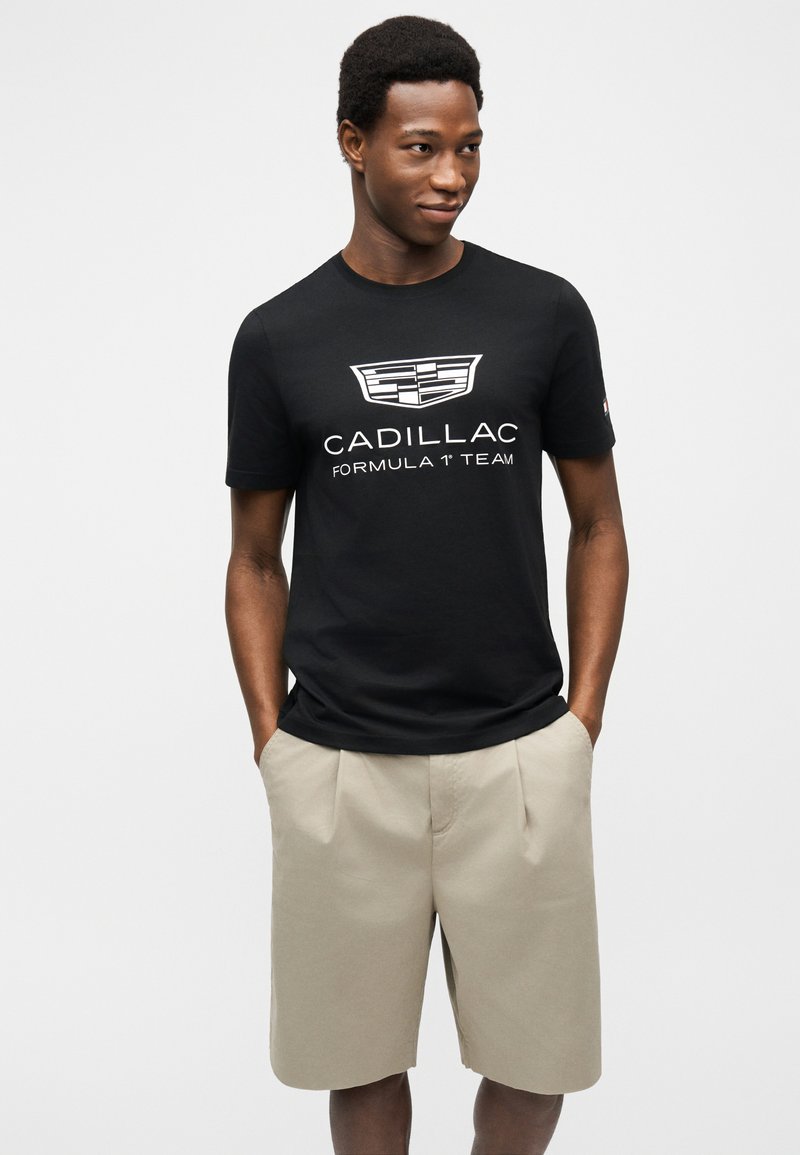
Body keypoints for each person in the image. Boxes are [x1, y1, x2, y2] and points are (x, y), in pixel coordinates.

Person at [224, 14, 628, 1155]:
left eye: (469, 146)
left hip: (519, 756)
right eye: (420, 147)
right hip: (342, 763)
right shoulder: (279, 337)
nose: (451, 175)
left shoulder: (542, 313)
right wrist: (273, 740)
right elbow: (252, 557)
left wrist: (579, 723)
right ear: (352, 142)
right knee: (358, 1065)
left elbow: (598, 525)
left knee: (537, 1063)